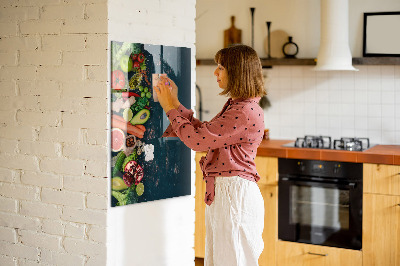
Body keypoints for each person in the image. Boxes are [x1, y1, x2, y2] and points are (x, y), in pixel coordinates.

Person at [154, 44, 266, 266]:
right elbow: (205, 133)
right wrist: (175, 103)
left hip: (234, 195)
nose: (215, 72)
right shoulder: (239, 106)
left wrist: (169, 108)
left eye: (221, 67)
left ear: (237, 72)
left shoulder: (243, 111)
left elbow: (197, 140)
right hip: (229, 193)